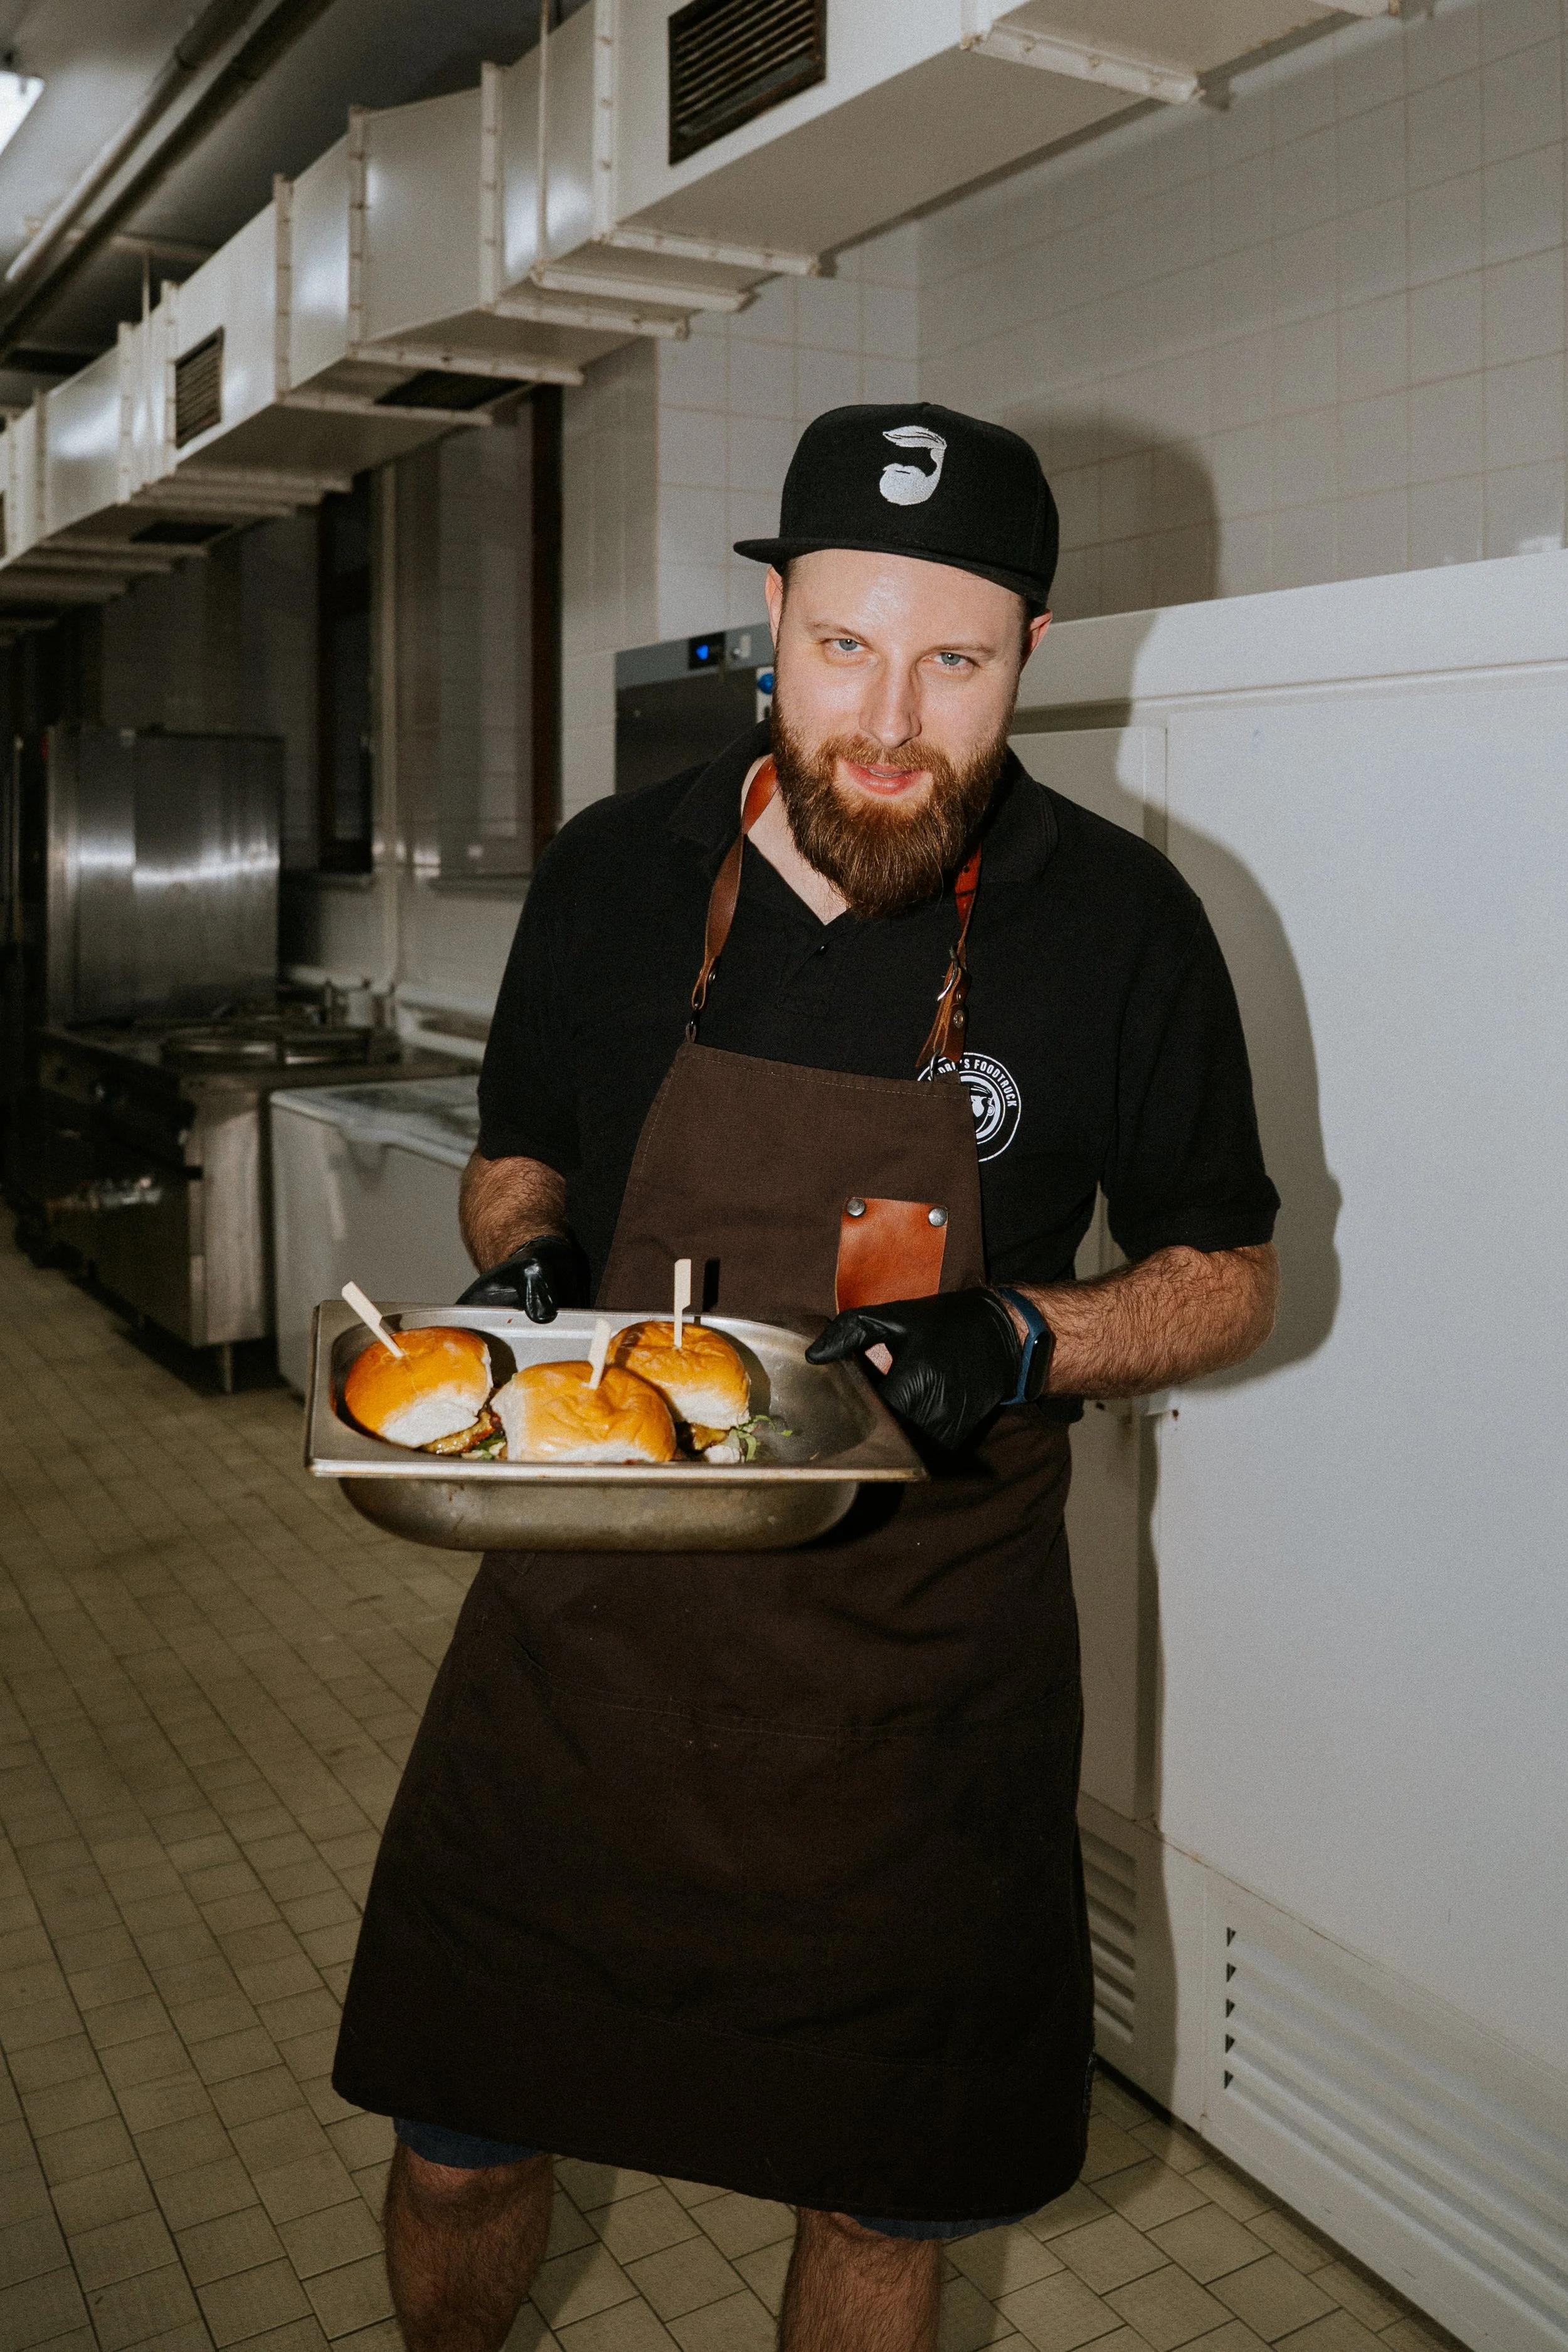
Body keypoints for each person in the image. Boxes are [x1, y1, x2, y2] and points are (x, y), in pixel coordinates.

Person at [332, 401, 1280, 2352]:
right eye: (844, 642)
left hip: (918, 1690)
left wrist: (1030, 1330)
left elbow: (1227, 1277)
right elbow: (522, 1145)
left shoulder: (1123, 927)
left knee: (880, 2196)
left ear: (1029, 649)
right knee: (456, 2141)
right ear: (770, 613)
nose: (889, 716)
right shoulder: (618, 872)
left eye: (956, 660)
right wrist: (529, 1260)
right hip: (582, 1652)